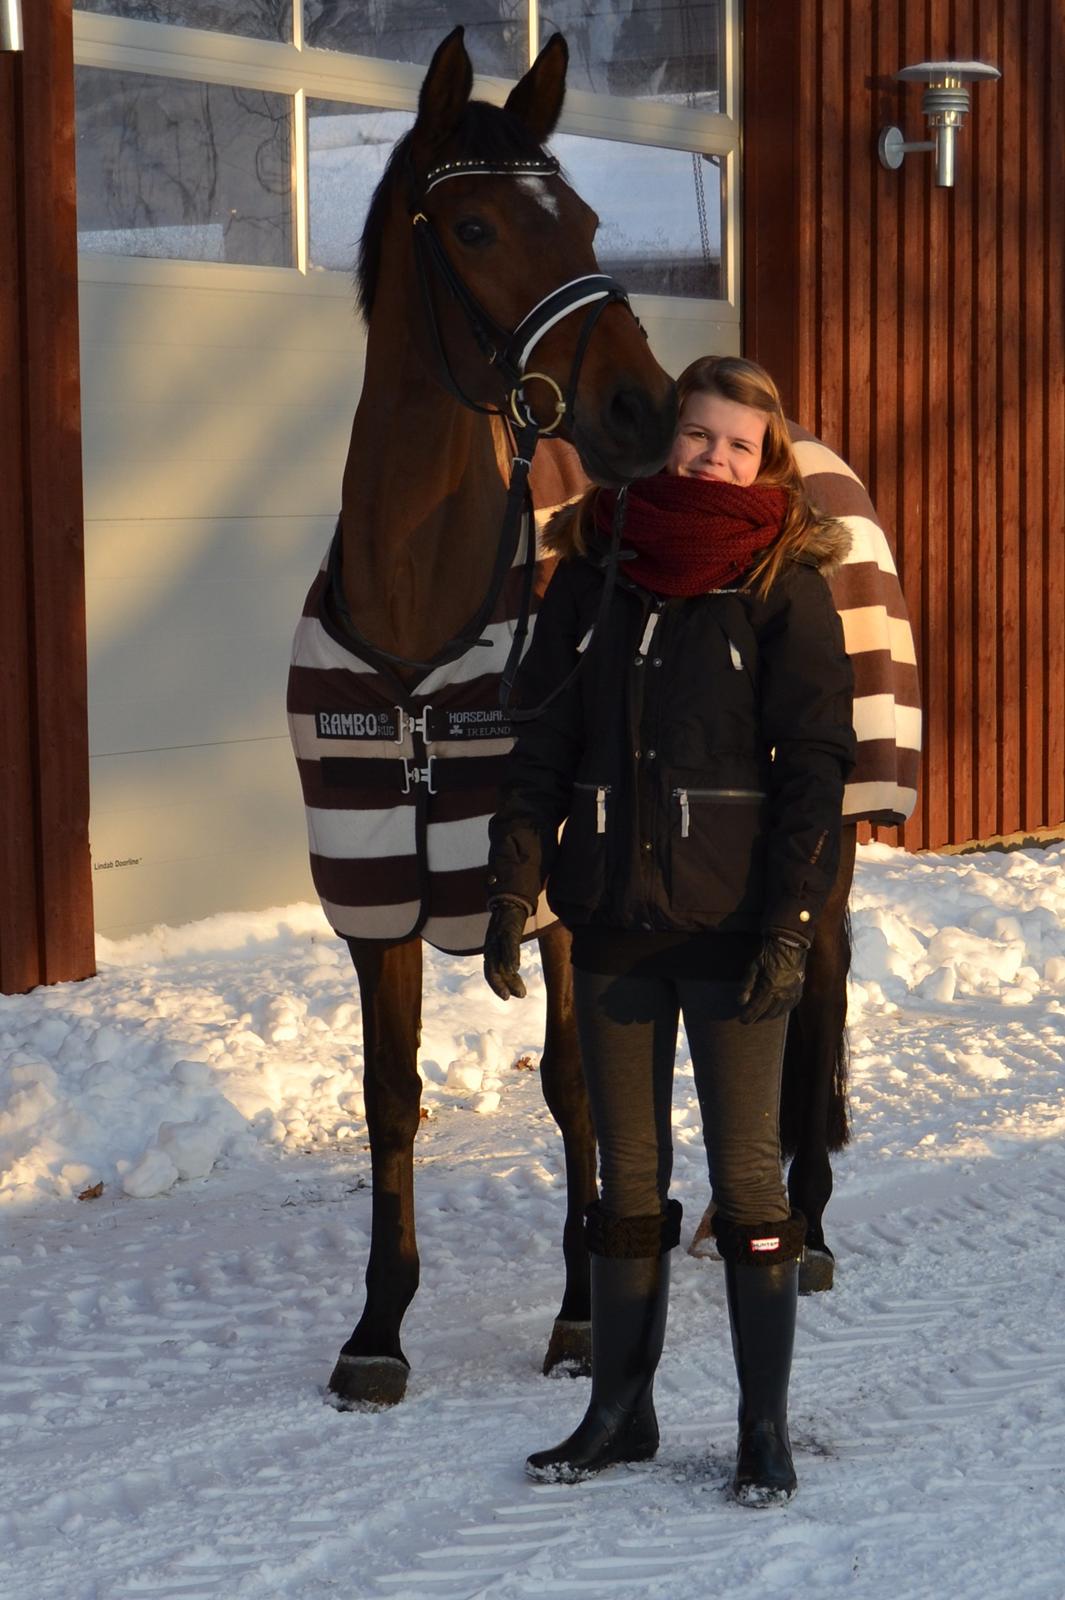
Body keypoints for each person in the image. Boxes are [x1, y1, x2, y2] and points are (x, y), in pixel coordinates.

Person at [482, 355, 856, 1504]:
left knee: (748, 1180)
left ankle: (761, 1429)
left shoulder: (783, 578)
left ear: (766, 461)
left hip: (738, 932)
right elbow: (541, 737)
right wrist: (514, 886)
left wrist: (792, 925)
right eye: (699, 434)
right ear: (667, 438)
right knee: (625, 1178)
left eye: (739, 444)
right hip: (611, 923)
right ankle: (619, 1413)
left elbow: (815, 765)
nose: (714, 458)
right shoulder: (596, 566)